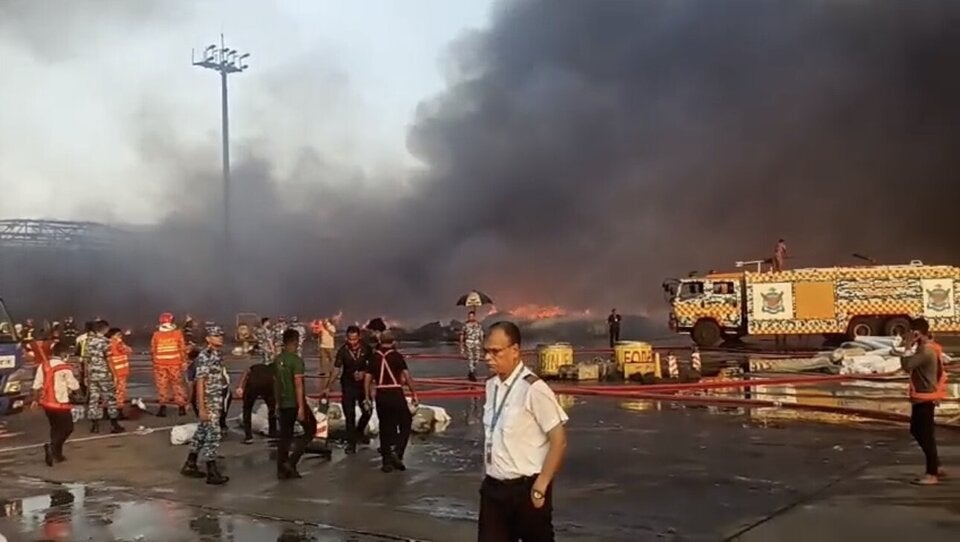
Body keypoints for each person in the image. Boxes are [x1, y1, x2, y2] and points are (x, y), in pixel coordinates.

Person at [478, 321, 568, 542]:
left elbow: (559, 440)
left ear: (515, 350)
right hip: (493, 489)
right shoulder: (491, 386)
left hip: (526, 490)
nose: (488, 358)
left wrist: (541, 485)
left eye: (495, 352)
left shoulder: (533, 389)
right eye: (486, 351)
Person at [897, 317, 948, 485]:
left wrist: (907, 346)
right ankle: (936, 466)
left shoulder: (925, 351)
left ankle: (932, 473)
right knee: (920, 432)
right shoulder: (928, 348)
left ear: (917, 333)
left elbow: (907, 365)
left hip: (925, 397)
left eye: (911, 332)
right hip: (924, 397)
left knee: (924, 434)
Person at [180, 325, 229, 485]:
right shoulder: (205, 356)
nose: (220, 338)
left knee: (202, 433)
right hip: (209, 401)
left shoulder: (216, 355)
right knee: (213, 435)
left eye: (220, 335)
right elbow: (199, 382)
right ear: (208, 339)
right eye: (216, 336)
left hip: (215, 399)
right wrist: (201, 407)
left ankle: (190, 463)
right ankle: (211, 471)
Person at [365, 331, 418, 473]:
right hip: (396, 393)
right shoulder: (397, 357)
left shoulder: (374, 357)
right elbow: (406, 376)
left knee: (385, 426)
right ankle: (398, 451)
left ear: (380, 341)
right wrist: (414, 393)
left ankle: (386, 462)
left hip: (381, 393)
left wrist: (367, 396)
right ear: (393, 342)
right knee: (406, 422)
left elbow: (368, 378)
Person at [274, 328, 315, 479]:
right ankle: (291, 462)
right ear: (296, 342)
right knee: (311, 429)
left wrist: (277, 403)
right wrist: (301, 408)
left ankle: (281, 468)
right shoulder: (296, 361)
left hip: (283, 402)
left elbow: (276, 383)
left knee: (285, 436)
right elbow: (298, 385)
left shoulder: (278, 359)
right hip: (294, 402)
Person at [325, 325, 373, 454]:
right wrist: (328, 387)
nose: (352, 342)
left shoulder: (366, 348)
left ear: (359, 337)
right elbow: (336, 369)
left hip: (363, 386)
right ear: (347, 338)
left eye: (355, 339)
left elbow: (373, 366)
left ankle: (359, 432)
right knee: (349, 415)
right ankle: (351, 444)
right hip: (348, 385)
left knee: (368, 411)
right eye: (350, 339)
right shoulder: (343, 350)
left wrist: (364, 373)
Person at [32, 342, 81, 467]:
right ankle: (52, 448)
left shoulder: (43, 365)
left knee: (55, 427)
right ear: (64, 354)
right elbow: (74, 385)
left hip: (47, 403)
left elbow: (36, 385)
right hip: (60, 402)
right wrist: (78, 392)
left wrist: (35, 400)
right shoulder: (64, 367)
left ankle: (57, 455)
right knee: (68, 428)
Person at [85, 320, 125, 434]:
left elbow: (86, 360)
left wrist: (87, 376)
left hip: (93, 374)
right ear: (105, 329)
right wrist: (114, 374)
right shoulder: (106, 342)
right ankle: (114, 424)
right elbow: (109, 359)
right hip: (104, 374)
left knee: (94, 399)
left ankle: (94, 425)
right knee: (111, 399)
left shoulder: (89, 342)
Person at [151, 312, 189, 417]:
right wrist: (184, 362)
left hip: (160, 365)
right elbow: (182, 349)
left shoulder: (156, 335)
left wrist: (155, 363)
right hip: (175, 364)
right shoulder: (177, 334)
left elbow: (153, 350)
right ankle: (181, 407)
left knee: (162, 386)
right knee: (177, 385)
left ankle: (162, 407)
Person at [236, 356, 277, 444]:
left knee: (247, 409)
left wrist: (240, 386)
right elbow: (276, 380)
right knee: (272, 408)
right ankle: (273, 433)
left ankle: (248, 436)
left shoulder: (255, 367)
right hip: (267, 384)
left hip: (253, 384)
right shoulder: (273, 369)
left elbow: (246, 373)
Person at [106, 328, 132, 413]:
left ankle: (107, 409)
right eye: (119, 334)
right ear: (113, 335)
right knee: (120, 391)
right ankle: (119, 410)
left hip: (111, 371)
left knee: (109, 391)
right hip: (119, 371)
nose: (121, 336)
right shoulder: (118, 343)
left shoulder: (106, 344)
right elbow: (128, 350)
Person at [460, 311, 484, 382]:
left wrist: (482, 344)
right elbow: (462, 335)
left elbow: (481, 335)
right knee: (470, 358)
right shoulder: (465, 325)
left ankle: (471, 372)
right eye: (469, 316)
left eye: (472, 316)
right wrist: (461, 346)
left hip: (477, 343)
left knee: (477, 358)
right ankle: (472, 374)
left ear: (474, 316)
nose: (471, 318)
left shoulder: (478, 325)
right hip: (469, 342)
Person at [317, 318, 337, 392]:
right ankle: (324, 371)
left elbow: (333, 333)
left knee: (331, 359)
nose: (325, 323)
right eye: (324, 322)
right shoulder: (322, 328)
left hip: (330, 346)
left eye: (326, 322)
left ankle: (332, 370)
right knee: (323, 359)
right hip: (323, 346)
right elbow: (319, 336)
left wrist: (328, 328)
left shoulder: (332, 327)